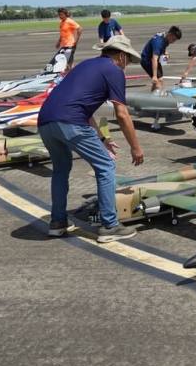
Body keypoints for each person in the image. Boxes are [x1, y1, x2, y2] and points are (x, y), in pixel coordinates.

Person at [38, 34, 144, 243]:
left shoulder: (87, 65)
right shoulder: (113, 70)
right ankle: (110, 225)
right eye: (129, 61)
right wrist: (135, 147)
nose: (127, 65)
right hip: (71, 122)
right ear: (121, 56)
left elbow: (84, 109)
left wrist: (103, 140)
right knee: (105, 167)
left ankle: (57, 222)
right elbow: (122, 114)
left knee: (61, 169)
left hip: (45, 121)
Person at [140, 26, 182, 90]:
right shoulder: (158, 42)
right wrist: (154, 76)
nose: (173, 42)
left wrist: (165, 52)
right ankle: (158, 97)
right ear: (170, 34)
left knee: (158, 81)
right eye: (173, 39)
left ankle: (152, 96)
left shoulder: (165, 36)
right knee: (159, 81)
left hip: (153, 59)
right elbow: (154, 59)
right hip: (147, 61)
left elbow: (161, 47)